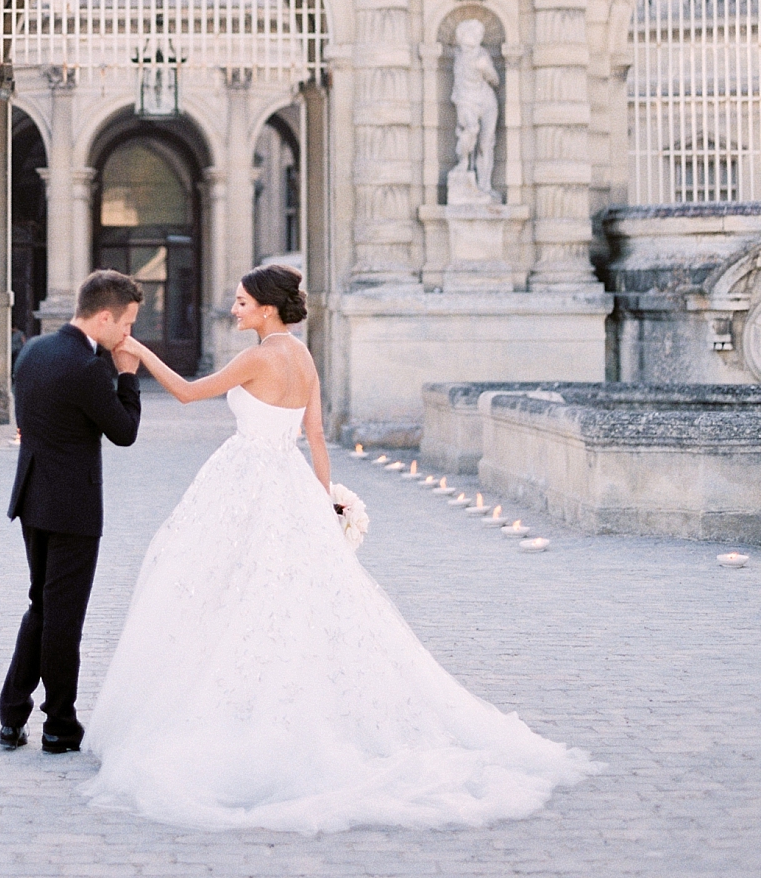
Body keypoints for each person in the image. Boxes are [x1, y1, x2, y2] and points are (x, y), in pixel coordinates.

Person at [82, 263, 595, 832]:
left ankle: (242, 713)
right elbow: (316, 436)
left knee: (225, 591)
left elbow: (184, 393)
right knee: (288, 599)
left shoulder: (259, 356)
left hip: (247, 480)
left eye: (243, 303)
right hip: (290, 482)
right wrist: (322, 503)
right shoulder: (302, 357)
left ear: (268, 309)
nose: (235, 309)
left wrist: (137, 350)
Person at [0, 269, 143, 755]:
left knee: (41, 605)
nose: (128, 336)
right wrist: (126, 375)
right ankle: (59, 726)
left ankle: (11, 714)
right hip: (73, 509)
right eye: (126, 325)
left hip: (31, 498)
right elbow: (123, 431)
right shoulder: (88, 368)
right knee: (63, 620)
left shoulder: (34, 350)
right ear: (104, 316)